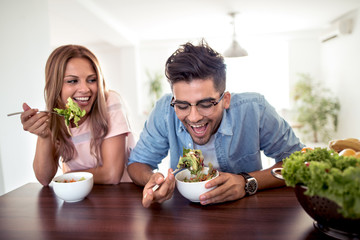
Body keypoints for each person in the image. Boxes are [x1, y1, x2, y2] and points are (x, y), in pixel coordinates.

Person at [128, 40, 304, 207]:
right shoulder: (164, 110)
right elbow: (137, 163)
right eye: (182, 106)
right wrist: (153, 180)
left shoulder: (255, 109)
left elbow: (299, 162)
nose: (194, 117)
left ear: (225, 99)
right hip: (184, 215)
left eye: (205, 104)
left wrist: (247, 181)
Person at [21, 45, 134, 186]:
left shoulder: (110, 102)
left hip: (120, 196)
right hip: (81, 199)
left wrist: (68, 176)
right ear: (55, 85)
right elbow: (44, 178)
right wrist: (43, 136)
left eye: (92, 80)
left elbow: (111, 175)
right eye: (72, 81)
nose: (85, 89)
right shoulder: (55, 115)